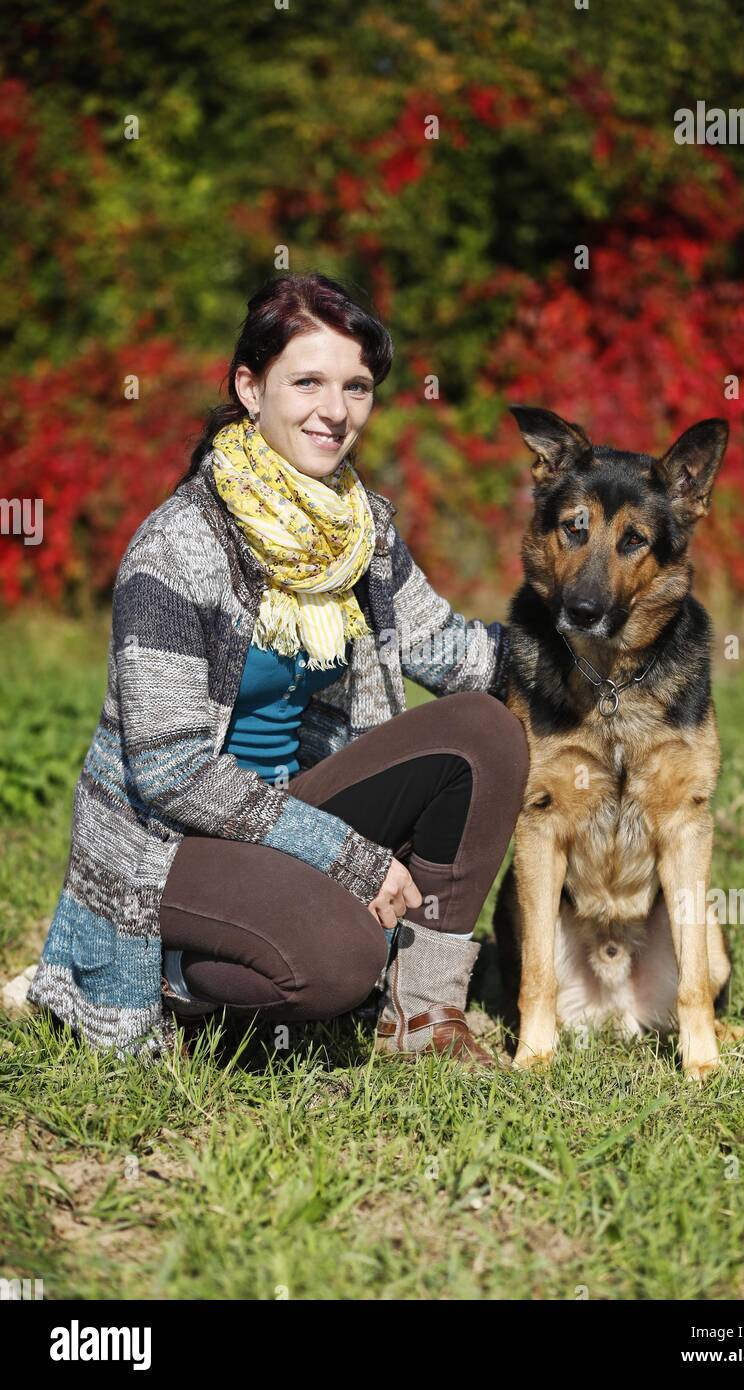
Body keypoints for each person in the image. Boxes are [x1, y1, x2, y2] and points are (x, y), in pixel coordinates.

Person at [27, 271, 530, 1067]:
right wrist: (350, 858)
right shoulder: (177, 549)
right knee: (337, 961)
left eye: (357, 386)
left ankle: (424, 1016)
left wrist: (591, 641)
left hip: (294, 807)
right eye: (308, 382)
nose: (336, 411)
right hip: (173, 844)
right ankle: (165, 976)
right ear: (249, 388)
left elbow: (454, 653)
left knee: (485, 732)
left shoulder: (358, 533)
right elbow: (169, 772)